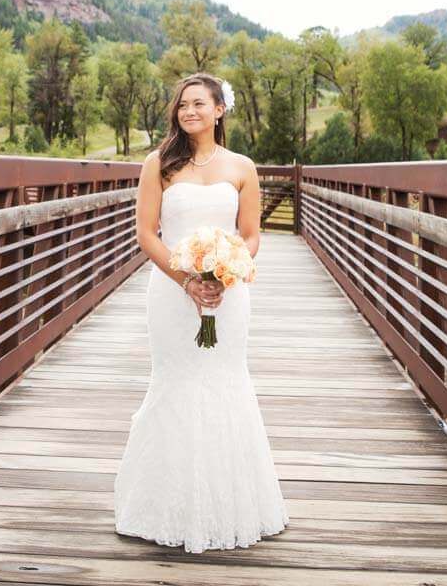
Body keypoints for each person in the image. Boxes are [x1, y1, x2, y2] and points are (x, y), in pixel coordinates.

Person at [113, 71, 290, 553]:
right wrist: (187, 280)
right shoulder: (158, 164)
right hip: (172, 292)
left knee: (225, 380)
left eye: (198, 104)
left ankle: (229, 507)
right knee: (175, 381)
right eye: (182, 105)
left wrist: (226, 270)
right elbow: (146, 233)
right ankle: (163, 507)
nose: (189, 111)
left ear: (219, 110)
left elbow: (250, 235)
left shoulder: (242, 167)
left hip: (228, 295)